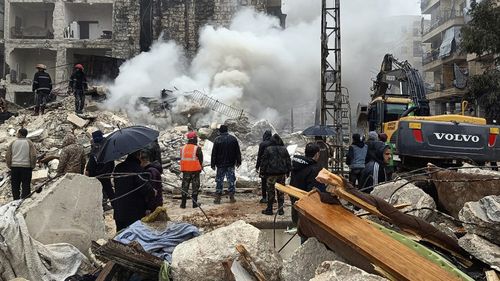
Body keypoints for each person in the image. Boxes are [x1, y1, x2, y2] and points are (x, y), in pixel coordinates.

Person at [113, 151, 155, 231]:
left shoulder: (118, 167)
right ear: (138, 155)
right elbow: (145, 188)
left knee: (120, 237)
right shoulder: (137, 169)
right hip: (134, 212)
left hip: (119, 210)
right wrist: (152, 192)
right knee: (133, 238)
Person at [290, 143, 325, 224]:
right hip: (308, 204)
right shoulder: (315, 169)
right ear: (317, 154)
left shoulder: (297, 164)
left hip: (295, 197)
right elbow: (317, 189)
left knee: (299, 225)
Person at [260, 134, 292, 216]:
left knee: (270, 191)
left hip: (271, 174)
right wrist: (288, 171)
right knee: (280, 192)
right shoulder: (284, 149)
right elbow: (288, 160)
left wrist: (262, 172)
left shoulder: (268, 149)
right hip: (281, 174)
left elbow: (264, 162)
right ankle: (281, 210)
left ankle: (269, 209)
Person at [211, 125, 241, 204]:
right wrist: (239, 161)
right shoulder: (233, 139)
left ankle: (218, 197)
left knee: (219, 180)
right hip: (231, 164)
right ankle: (231, 196)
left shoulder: (217, 140)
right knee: (231, 180)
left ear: (220, 131)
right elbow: (237, 151)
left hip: (220, 165)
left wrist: (213, 164)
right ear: (227, 130)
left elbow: (214, 153)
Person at [85, 130, 115, 210]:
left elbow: (91, 164)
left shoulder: (95, 149)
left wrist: (89, 173)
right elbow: (111, 162)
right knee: (109, 190)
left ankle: (97, 206)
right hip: (106, 173)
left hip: (96, 175)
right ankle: (115, 205)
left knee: (96, 191)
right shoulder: (107, 147)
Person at [5, 128, 37, 200]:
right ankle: (24, 200)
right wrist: (32, 165)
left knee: (15, 185)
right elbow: (33, 155)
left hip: (15, 167)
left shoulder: (13, 142)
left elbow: (8, 155)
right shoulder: (29, 143)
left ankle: (16, 200)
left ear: (19, 134)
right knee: (26, 185)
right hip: (26, 168)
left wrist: (9, 165)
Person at [180, 131, 203, 208]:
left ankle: (183, 204)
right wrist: (200, 167)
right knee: (195, 187)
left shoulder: (182, 148)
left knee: (184, 186)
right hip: (195, 171)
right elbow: (200, 160)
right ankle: (194, 204)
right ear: (194, 139)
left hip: (185, 170)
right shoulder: (197, 148)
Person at [255, 130, 273, 203]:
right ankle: (271, 198)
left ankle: (264, 197)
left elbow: (259, 156)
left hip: (264, 166)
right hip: (272, 166)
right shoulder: (274, 143)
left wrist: (257, 166)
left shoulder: (262, 144)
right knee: (272, 182)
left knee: (264, 182)